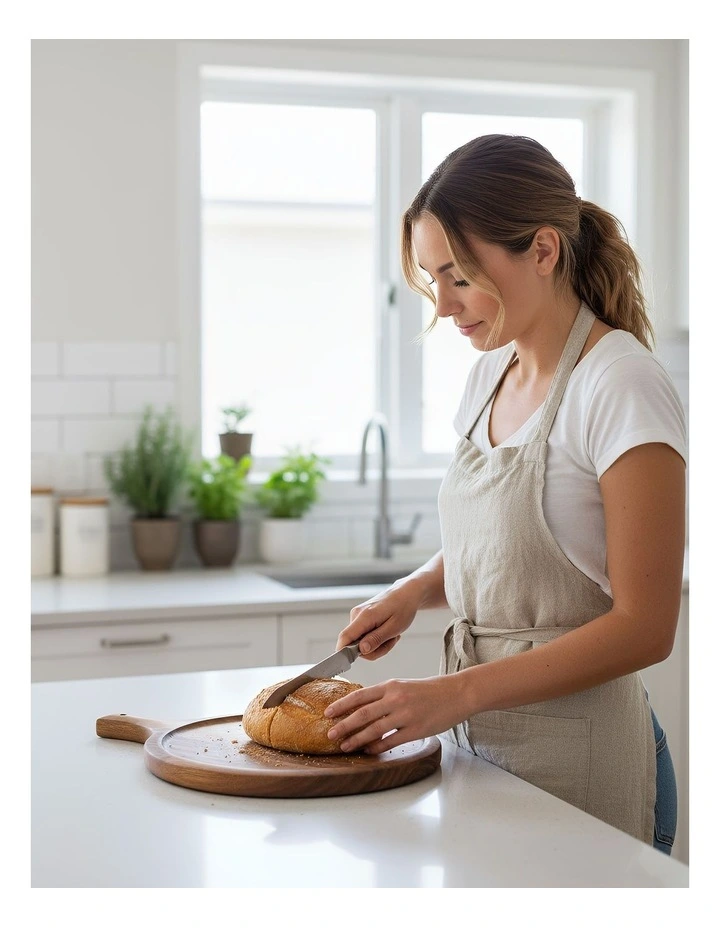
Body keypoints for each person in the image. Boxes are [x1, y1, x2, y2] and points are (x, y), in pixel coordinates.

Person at [324, 134, 686, 854]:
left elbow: (647, 627)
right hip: (481, 758)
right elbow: (500, 542)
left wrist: (452, 693)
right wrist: (412, 590)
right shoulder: (489, 375)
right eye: (432, 280)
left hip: (585, 771)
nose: (444, 306)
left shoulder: (619, 384)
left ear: (543, 250)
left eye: (459, 276)